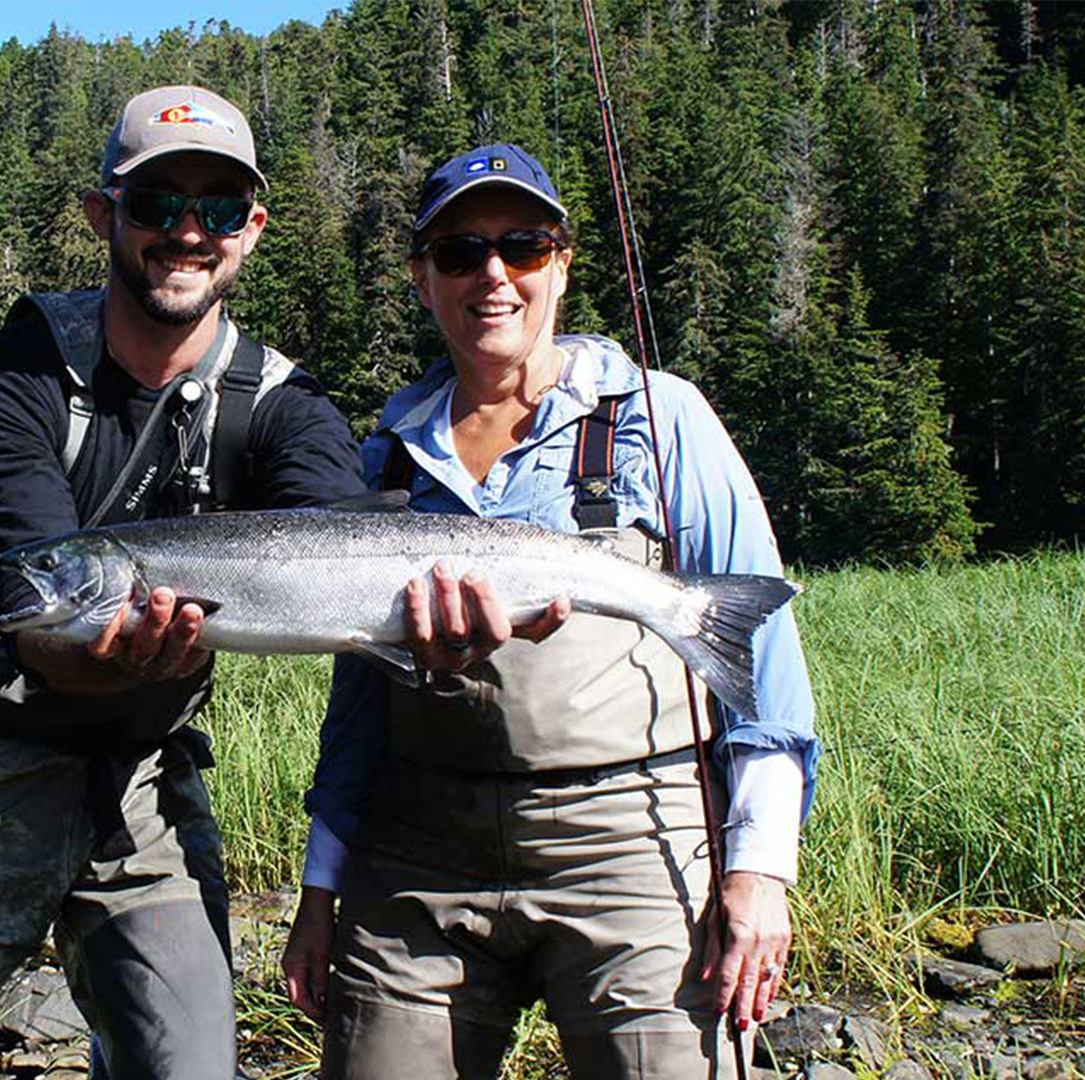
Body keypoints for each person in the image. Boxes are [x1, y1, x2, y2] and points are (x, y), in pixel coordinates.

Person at [0, 85, 369, 1080]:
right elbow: (43, 614)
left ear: (252, 228)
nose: (187, 233)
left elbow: (350, 550)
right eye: (158, 205)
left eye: (216, 209)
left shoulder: (289, 411)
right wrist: (102, 658)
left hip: (141, 769)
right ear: (101, 216)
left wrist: (431, 637)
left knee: (192, 1067)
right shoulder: (4, 380)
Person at [279, 144, 820, 1078]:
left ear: (561, 265)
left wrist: (758, 871)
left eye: (522, 247)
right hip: (418, 851)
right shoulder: (388, 460)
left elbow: (763, 665)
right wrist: (322, 885)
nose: (492, 274)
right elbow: (357, 705)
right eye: (459, 254)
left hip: (631, 839)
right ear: (423, 280)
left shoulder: (664, 418)